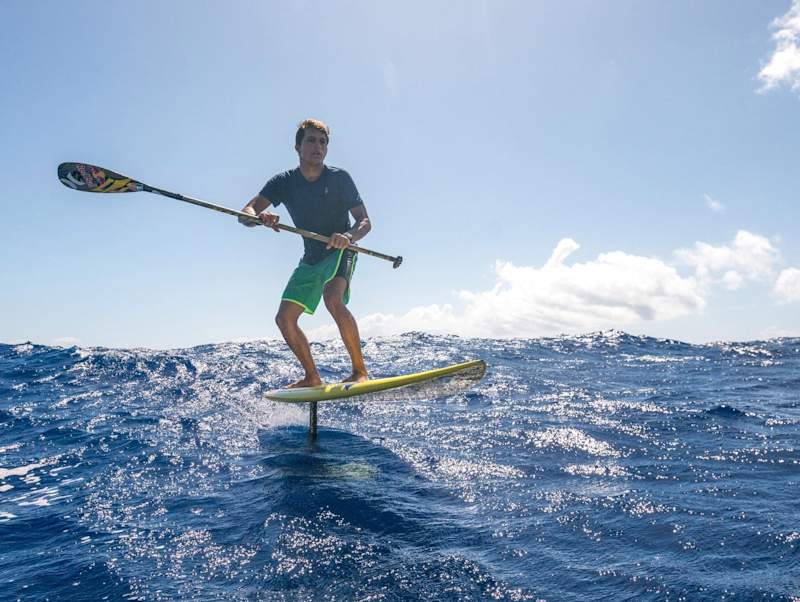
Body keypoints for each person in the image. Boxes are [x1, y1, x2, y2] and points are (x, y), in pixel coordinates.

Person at [239, 119, 371, 388]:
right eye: (311, 140)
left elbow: (364, 222)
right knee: (284, 319)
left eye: (323, 142)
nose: (317, 146)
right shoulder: (283, 182)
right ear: (297, 147)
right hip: (311, 257)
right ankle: (312, 377)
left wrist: (347, 236)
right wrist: (260, 217)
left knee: (332, 298)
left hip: (341, 249)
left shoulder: (340, 178)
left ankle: (360, 371)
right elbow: (245, 213)